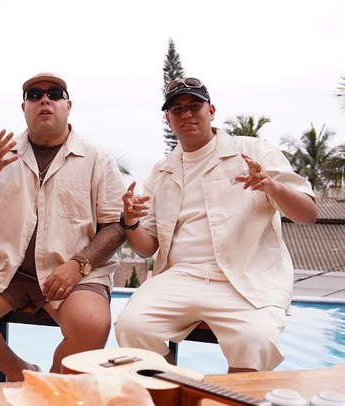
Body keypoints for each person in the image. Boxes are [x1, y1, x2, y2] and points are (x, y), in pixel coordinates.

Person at [114, 77, 317, 372]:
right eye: (177, 109)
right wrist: (131, 221)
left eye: (194, 106)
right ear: (168, 119)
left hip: (246, 276)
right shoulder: (162, 171)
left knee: (256, 340)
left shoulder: (252, 151)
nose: (186, 114)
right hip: (181, 276)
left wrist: (273, 188)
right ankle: (178, 389)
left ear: (211, 111)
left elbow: (308, 214)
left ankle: (229, 394)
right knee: (131, 327)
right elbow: (147, 248)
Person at [0, 72, 127, 380]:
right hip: (4, 269)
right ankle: (25, 376)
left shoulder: (95, 157)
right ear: (24, 107)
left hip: (70, 272)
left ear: (68, 106)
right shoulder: (2, 156)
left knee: (92, 325)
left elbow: (116, 227)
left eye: (54, 94)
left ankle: (49, 390)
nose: (45, 100)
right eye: (35, 95)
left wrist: (78, 265)